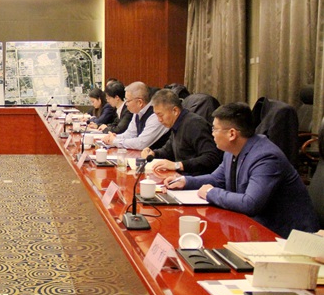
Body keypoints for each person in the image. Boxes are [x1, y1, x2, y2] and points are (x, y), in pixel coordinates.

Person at [166, 102, 318, 238]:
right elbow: (217, 178)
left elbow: (250, 203)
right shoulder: (232, 150)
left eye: (215, 129)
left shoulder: (266, 157)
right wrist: (185, 181)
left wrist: (211, 193)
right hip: (253, 227)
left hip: (286, 236)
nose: (212, 134)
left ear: (232, 134)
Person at [141, 89, 222, 175]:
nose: (159, 120)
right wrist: (153, 153)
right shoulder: (176, 123)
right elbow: (168, 151)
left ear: (175, 111)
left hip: (196, 179)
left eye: (160, 115)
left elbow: (211, 157)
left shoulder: (194, 124)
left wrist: (178, 165)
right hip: (181, 177)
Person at [96, 81, 169, 150]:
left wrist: (115, 141)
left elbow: (141, 143)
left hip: (157, 157)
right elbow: (129, 134)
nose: (126, 104)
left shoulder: (155, 115)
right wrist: (112, 138)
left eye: (128, 100)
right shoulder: (137, 113)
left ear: (139, 102)